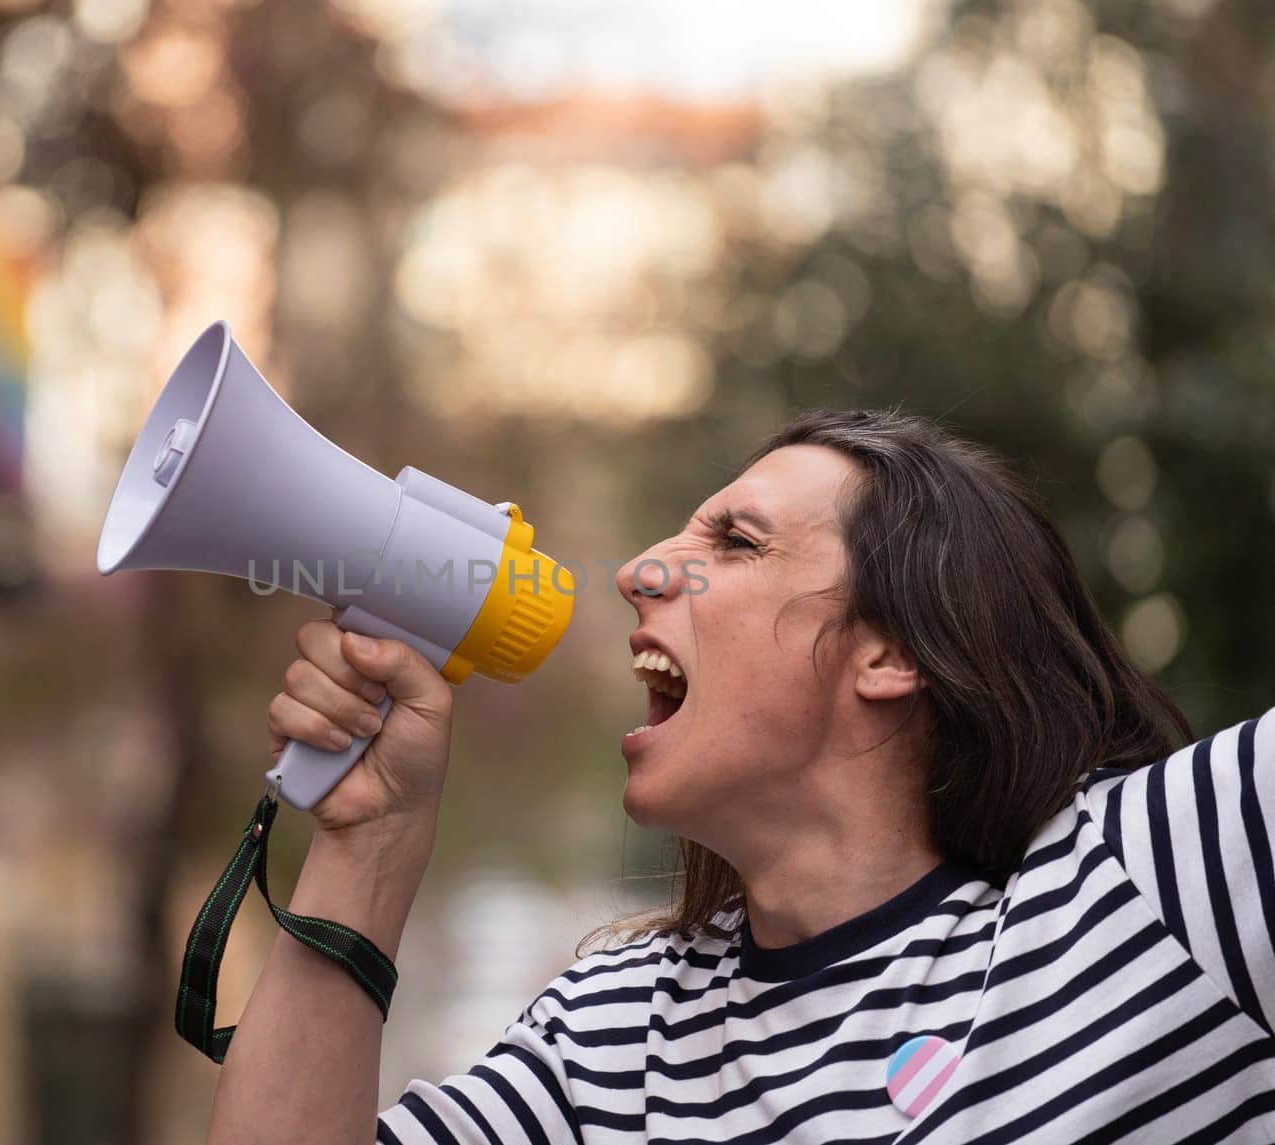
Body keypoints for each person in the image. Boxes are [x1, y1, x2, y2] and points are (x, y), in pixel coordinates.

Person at [204, 409, 1275, 1144]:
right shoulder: (611, 1039)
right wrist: (366, 843)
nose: (637, 571)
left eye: (736, 538)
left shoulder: (1149, 878)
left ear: (890, 652)